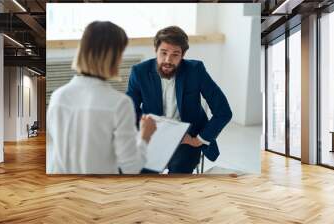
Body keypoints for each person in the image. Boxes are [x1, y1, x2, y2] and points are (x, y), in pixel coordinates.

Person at [47, 21, 156, 174]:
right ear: (114, 56)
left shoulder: (58, 97)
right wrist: (145, 136)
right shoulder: (120, 104)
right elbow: (131, 167)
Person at [126, 26, 232, 174]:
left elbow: (223, 111)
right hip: (153, 136)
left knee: (180, 169)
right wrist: (143, 133)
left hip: (186, 138)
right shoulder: (139, 72)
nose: (168, 60)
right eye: (163, 53)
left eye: (175, 54)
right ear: (155, 50)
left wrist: (198, 140)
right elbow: (130, 111)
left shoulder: (196, 70)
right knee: (140, 170)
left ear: (183, 55)